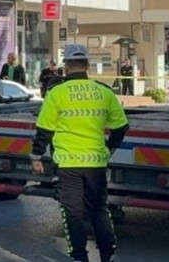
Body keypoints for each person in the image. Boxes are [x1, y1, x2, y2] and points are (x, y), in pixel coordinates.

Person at [30, 44, 129, 262]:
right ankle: (108, 254)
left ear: (66, 66)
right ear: (87, 65)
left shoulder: (56, 93)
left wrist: (36, 156)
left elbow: (44, 130)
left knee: (73, 214)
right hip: (96, 163)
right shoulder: (104, 91)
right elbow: (121, 126)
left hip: (68, 165)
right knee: (99, 210)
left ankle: (79, 257)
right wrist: (109, 147)